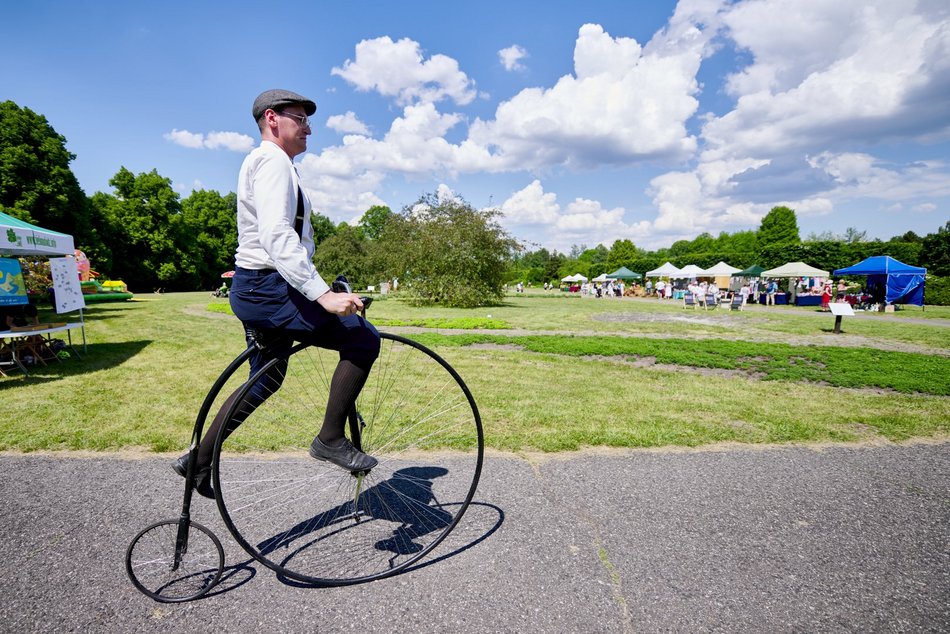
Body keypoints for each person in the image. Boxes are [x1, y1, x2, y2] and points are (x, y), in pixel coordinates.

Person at [174, 89, 381, 498]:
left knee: (266, 379)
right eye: (300, 118)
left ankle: (197, 462)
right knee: (362, 339)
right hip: (266, 288)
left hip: (259, 287)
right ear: (273, 118)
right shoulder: (271, 162)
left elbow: (291, 244)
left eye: (308, 120)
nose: (308, 128)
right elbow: (275, 236)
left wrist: (326, 287)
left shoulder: (273, 164)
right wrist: (322, 296)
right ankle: (330, 439)